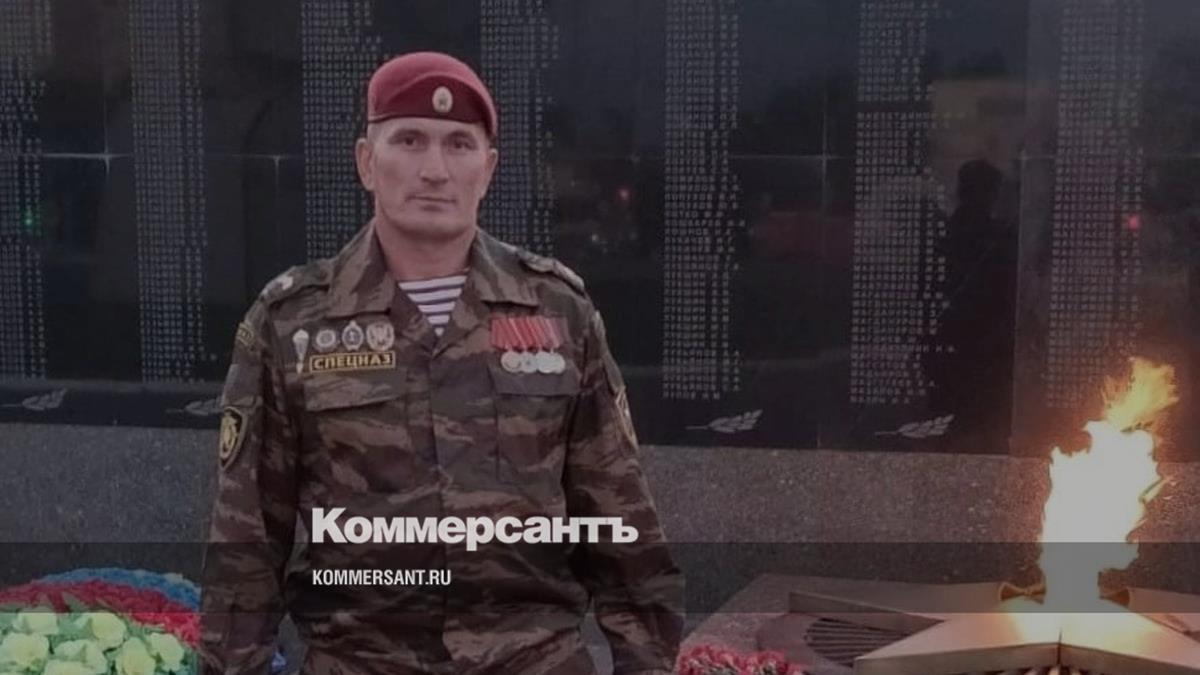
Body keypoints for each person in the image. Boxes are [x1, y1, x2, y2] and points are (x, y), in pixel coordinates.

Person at [199, 51, 683, 675]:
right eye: (409, 140)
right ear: (366, 162)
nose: (434, 170)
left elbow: (620, 519)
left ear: (488, 169)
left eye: (459, 144)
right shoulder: (292, 323)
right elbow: (246, 540)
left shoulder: (558, 311)